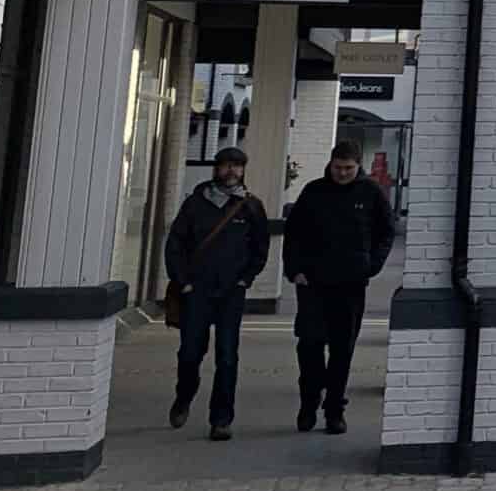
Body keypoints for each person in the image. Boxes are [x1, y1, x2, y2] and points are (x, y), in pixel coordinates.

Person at [281, 140, 396, 435]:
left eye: (348, 168)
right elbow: (293, 234)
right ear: (330, 164)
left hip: (350, 283)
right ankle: (308, 404)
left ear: (358, 167)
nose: (342, 173)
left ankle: (334, 410)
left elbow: (386, 231)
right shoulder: (314, 191)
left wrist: (372, 265)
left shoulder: (371, 193)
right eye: (337, 167)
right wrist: (294, 271)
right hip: (313, 283)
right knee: (309, 346)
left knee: (342, 350)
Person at [164, 146, 270, 441]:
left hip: (230, 294)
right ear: (216, 168)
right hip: (196, 291)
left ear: (244, 170)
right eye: (226, 165)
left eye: (237, 166)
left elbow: (260, 248)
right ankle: (184, 396)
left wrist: (245, 280)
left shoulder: (251, 207)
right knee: (190, 354)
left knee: (227, 357)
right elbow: (175, 245)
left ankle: (221, 419)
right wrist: (183, 280)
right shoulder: (195, 204)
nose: (231, 171)